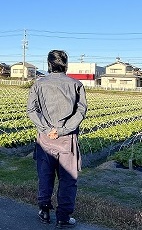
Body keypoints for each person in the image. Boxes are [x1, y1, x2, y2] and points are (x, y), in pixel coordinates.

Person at [26, 50, 87, 229]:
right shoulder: (76, 85)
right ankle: (63, 218)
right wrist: (62, 130)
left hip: (45, 139)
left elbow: (32, 110)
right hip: (67, 140)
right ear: (66, 65)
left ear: (49, 64)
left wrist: (47, 129)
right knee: (68, 179)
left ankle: (44, 211)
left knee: (45, 176)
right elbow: (81, 111)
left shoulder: (39, 84)